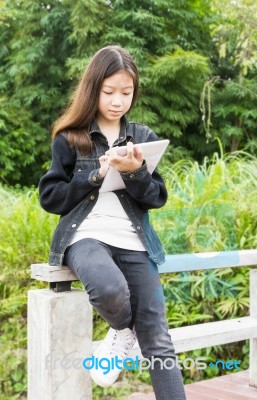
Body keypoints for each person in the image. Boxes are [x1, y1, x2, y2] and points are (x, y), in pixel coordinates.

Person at [39, 45, 187, 400]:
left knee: (158, 341)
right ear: (94, 89)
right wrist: (96, 175)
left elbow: (157, 198)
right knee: (109, 289)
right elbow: (50, 197)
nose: (118, 100)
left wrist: (136, 172)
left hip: (135, 241)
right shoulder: (70, 139)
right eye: (109, 92)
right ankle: (122, 329)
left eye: (126, 92)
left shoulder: (143, 136)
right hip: (85, 237)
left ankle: (130, 335)